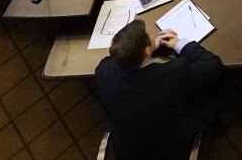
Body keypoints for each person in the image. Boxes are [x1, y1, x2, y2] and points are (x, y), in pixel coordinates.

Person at [93, 20, 224, 160]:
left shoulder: (103, 72)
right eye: (150, 35)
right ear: (147, 50)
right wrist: (180, 44)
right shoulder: (174, 73)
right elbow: (213, 65)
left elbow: (109, 60)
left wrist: (142, 51)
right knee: (207, 93)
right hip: (168, 147)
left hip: (128, 151)